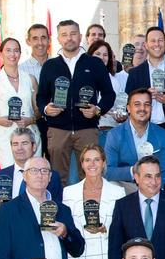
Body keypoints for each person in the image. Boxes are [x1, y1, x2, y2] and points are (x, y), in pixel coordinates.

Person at [0, 156, 84, 259]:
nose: (39, 175)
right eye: (34, 170)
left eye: (44, 171)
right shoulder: (9, 211)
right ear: (24, 176)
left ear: (50, 177)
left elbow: (78, 249)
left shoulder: (62, 209)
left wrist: (65, 233)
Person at [36, 19, 116, 184]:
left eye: (73, 34)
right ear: (58, 39)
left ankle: (90, 209)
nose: (69, 38)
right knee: (57, 178)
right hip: (58, 130)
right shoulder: (50, 65)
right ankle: (60, 209)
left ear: (80, 37)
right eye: (64, 35)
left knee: (91, 176)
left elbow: (109, 94)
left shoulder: (94, 63)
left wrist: (98, 110)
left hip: (87, 129)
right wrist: (45, 109)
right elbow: (41, 96)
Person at [62, 144, 126, 259]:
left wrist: (106, 230)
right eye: (88, 160)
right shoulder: (68, 193)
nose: (92, 164)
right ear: (82, 164)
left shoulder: (118, 192)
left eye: (97, 159)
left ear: (104, 163)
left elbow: (122, 229)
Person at [125, 26, 165, 176]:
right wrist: (144, 98)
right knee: (143, 175)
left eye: (160, 40)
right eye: (152, 41)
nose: (157, 44)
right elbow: (128, 103)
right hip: (143, 132)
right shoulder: (135, 73)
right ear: (146, 45)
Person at [0, 36, 38, 166]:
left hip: (29, 134)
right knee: (9, 175)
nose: (12, 54)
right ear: (1, 53)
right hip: (6, 135)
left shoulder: (30, 80)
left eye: (16, 50)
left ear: (20, 53)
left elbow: (38, 110)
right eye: (8, 50)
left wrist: (30, 120)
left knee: (32, 173)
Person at [104, 88, 165, 185]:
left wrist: (156, 186)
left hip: (154, 186)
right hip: (126, 186)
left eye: (147, 104)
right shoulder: (114, 135)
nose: (142, 108)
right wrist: (134, 171)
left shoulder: (161, 134)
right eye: (137, 104)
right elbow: (108, 172)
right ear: (128, 108)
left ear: (151, 108)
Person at [0, 125, 63, 202]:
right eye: (15, 144)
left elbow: (58, 207)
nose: (19, 148)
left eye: (24, 143)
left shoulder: (51, 176)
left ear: (34, 147)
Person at [21, 23, 53, 159]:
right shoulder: (21, 70)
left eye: (43, 38)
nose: (40, 43)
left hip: (55, 123)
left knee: (55, 164)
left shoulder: (59, 66)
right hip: (32, 123)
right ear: (28, 41)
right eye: (35, 38)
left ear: (49, 40)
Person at [88, 39, 125, 146]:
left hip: (108, 131)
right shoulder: (82, 77)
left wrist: (120, 116)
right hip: (87, 131)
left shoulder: (114, 81)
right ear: (90, 55)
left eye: (105, 55)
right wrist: (100, 111)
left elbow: (118, 108)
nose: (101, 57)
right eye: (97, 54)